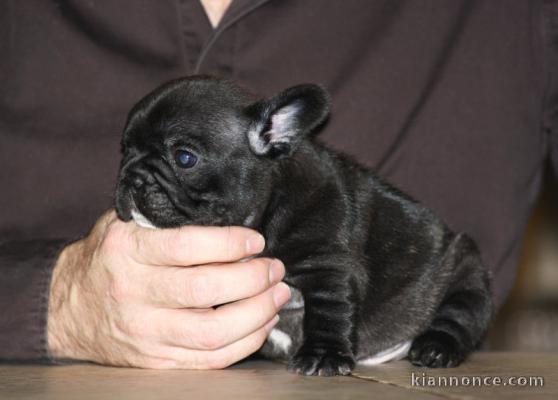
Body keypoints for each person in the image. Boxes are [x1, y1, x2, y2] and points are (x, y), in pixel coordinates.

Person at [1, 0, 557, 368]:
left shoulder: (319, 206)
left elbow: (334, 272)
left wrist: (328, 342)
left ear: (276, 136)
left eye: (183, 158)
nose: (136, 178)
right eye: (131, 156)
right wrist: (55, 300)